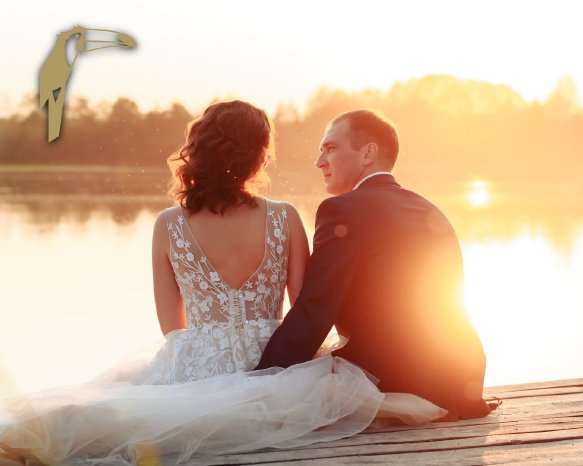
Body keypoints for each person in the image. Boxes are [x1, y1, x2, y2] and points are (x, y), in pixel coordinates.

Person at [0, 101, 444, 466]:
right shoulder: (285, 217)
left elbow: (171, 329)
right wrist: (275, 370)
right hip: (275, 357)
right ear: (258, 157)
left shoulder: (167, 225)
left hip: (199, 357)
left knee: (137, 411)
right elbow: (305, 307)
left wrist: (206, 357)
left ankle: (41, 434)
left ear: (199, 149)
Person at [256, 109, 493, 420]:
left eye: (331, 148)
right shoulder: (428, 208)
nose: (319, 162)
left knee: (298, 398)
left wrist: (261, 379)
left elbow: (315, 309)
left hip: (403, 373)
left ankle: (408, 404)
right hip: (463, 374)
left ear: (368, 153)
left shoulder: (341, 210)